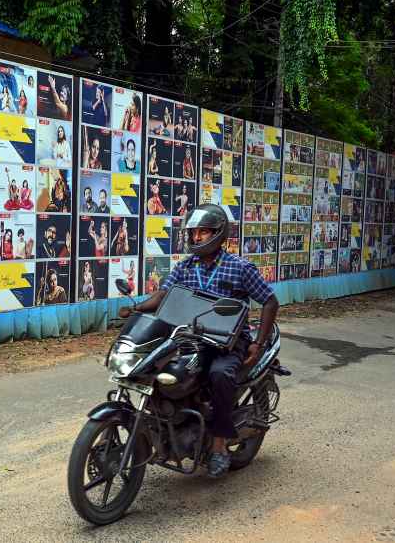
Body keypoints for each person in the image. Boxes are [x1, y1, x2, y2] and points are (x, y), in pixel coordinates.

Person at [118, 204, 279, 479]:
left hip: (227, 341)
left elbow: (269, 301)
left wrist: (258, 343)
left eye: (203, 233)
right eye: (193, 233)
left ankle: (218, 446)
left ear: (218, 234)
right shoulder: (185, 267)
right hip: (190, 339)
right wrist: (137, 309)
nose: (196, 238)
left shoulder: (240, 268)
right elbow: (163, 296)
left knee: (219, 374)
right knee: (161, 368)